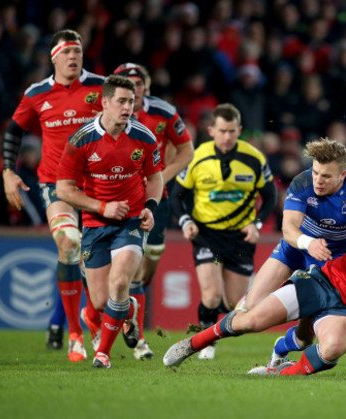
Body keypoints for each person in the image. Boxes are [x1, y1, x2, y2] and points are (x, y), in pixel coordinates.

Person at [163, 207, 346, 379]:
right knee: (250, 321)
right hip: (321, 282)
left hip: (345, 312)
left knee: (332, 347)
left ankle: (277, 373)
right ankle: (193, 343)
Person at [241, 138, 346, 369]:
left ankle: (280, 349)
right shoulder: (302, 182)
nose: (318, 180)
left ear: (343, 175)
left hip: (329, 265)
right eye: (315, 172)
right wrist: (309, 242)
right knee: (253, 307)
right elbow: (289, 229)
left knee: (305, 338)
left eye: (326, 176)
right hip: (296, 249)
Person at [1, 29, 104, 361]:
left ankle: (94, 316)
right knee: (69, 244)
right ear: (54, 58)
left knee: (95, 265)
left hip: (97, 186)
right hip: (55, 185)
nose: (73, 58)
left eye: (78, 52)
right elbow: (14, 132)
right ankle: (74, 332)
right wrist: (8, 171)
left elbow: (125, 124)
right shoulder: (37, 93)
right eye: (67, 53)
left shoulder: (102, 88)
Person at [56, 75, 163, 368]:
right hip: (94, 224)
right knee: (103, 301)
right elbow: (63, 188)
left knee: (119, 285)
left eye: (131, 101)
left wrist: (151, 207)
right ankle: (130, 310)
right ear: (104, 102)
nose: (128, 107)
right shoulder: (81, 139)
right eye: (121, 101)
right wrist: (102, 206)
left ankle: (102, 353)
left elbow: (155, 177)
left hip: (131, 221)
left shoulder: (144, 137)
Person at [170, 103, 277, 360]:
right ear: (211, 130)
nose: (227, 137)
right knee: (211, 295)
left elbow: (270, 195)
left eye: (231, 131)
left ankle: (213, 329)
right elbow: (176, 195)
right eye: (222, 131)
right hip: (208, 235)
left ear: (239, 130)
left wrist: (257, 224)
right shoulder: (196, 157)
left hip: (239, 238)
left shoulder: (254, 158)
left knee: (231, 304)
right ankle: (205, 340)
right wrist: (186, 221)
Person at [110, 63, 194, 360]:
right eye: (128, 85)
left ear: (146, 86)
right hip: (115, 196)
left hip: (155, 196)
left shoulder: (164, 112)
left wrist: (161, 177)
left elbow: (187, 150)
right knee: (128, 268)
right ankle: (137, 338)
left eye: (139, 84)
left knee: (150, 259)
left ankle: (127, 303)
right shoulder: (107, 110)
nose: (135, 89)